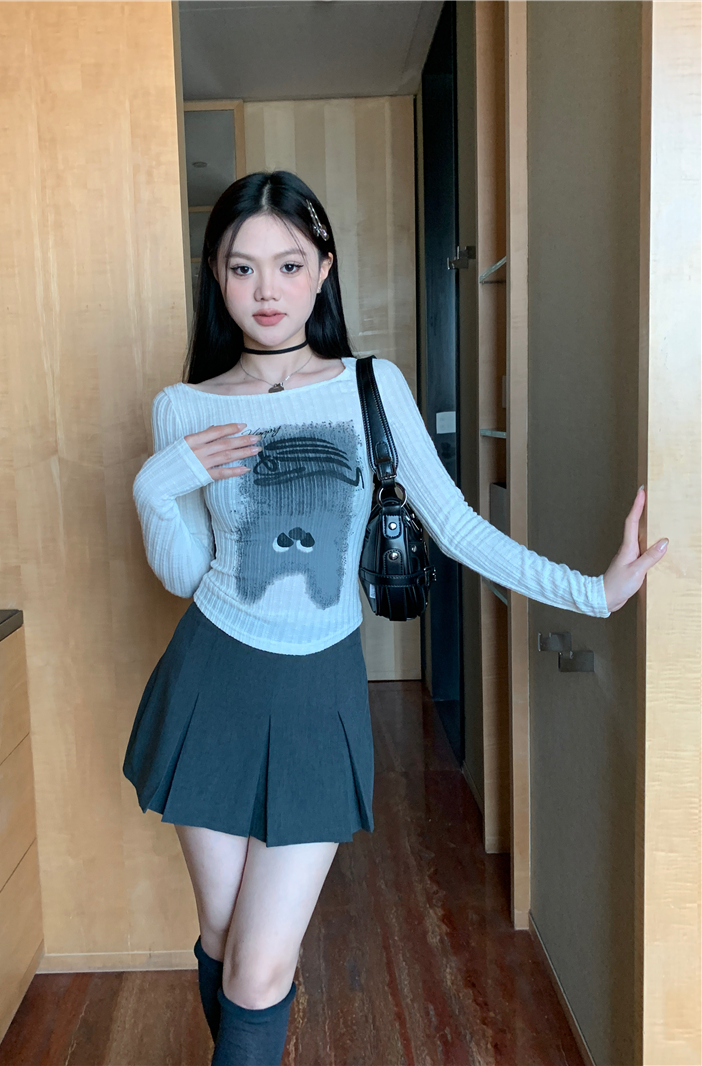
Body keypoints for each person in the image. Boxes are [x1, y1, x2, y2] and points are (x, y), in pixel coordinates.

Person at [122, 170, 668, 1066]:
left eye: (289, 264)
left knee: (258, 970)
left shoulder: (371, 388)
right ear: (215, 277)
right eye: (242, 267)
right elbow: (186, 573)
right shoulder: (184, 408)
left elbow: (456, 526)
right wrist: (159, 482)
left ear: (324, 269)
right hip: (211, 681)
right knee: (223, 939)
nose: (266, 290)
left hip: (318, 692)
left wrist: (592, 592)